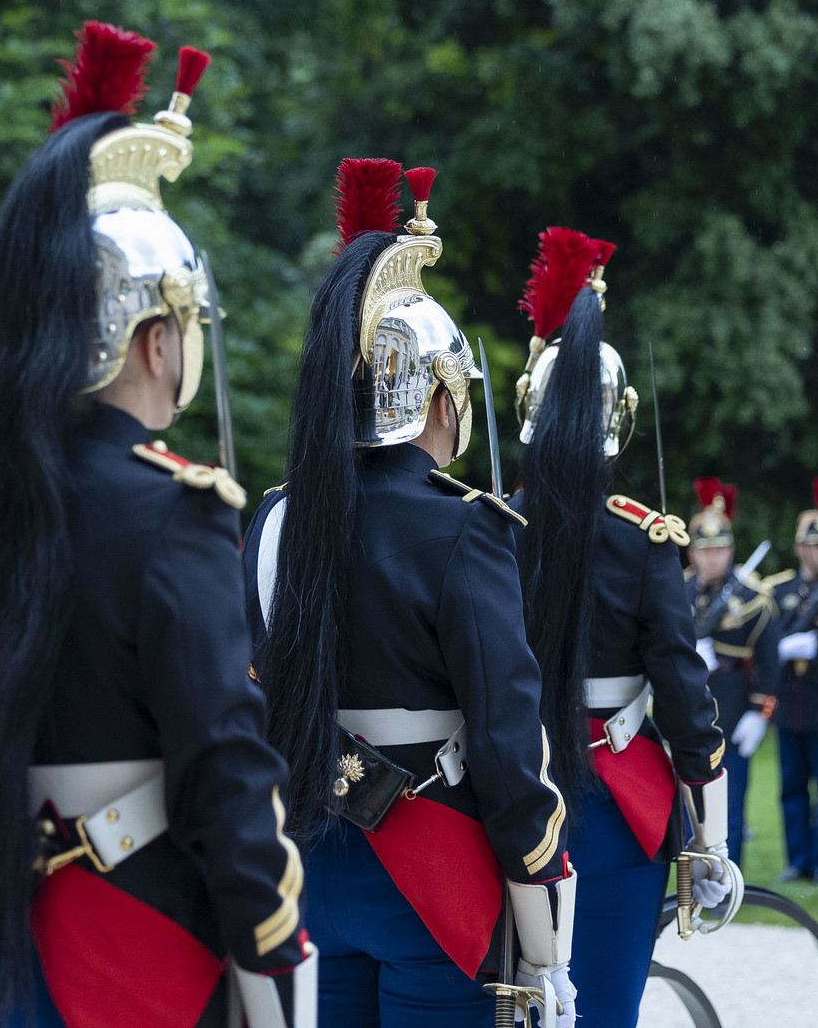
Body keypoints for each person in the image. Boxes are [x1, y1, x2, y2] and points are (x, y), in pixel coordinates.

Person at [0, 26, 314, 1028]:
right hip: (132, 961)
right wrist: (271, 984)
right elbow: (225, 780)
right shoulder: (174, 511)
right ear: (157, 340)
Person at [246, 164, 574, 1028]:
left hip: (312, 863)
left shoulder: (278, 515)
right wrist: (543, 939)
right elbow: (507, 737)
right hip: (435, 876)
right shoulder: (466, 526)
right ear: (437, 395)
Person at [510, 227, 732, 1028]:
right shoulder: (643, 539)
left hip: (506, 788)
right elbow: (683, 695)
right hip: (615, 792)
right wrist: (710, 837)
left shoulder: (485, 526)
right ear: (620, 418)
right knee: (604, 1010)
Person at [685, 479, 779, 867]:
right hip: (687, 713)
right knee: (690, 804)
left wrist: (761, 713)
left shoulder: (754, 598)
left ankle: (727, 880)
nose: (712, 558)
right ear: (692, 552)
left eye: (720, 550)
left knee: (730, 802)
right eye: (705, 550)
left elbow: (770, 664)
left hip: (735, 711)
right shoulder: (677, 590)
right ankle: (693, 877)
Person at [774, 479, 818, 886]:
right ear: (801, 548)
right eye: (817, 546)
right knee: (791, 787)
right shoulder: (781, 589)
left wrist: (816, 646)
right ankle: (797, 859)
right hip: (790, 701)